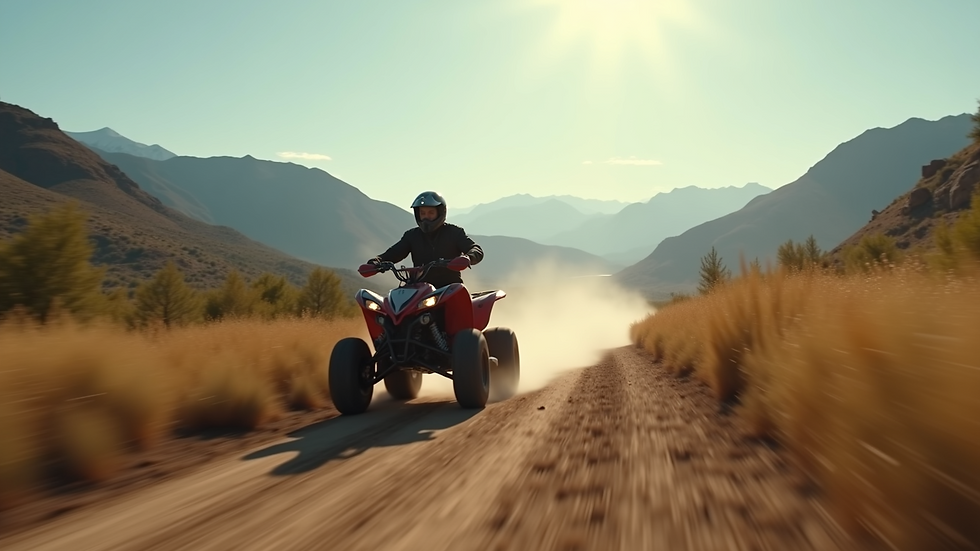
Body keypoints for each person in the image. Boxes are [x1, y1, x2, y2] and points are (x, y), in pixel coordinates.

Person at [368, 191, 484, 289]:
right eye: (422, 213)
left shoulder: (454, 233)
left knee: (458, 310)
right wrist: (377, 261)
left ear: (440, 212)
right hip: (420, 287)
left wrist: (468, 257)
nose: (426, 217)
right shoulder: (412, 235)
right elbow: (395, 252)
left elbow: (475, 249)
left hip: (450, 287)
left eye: (431, 213)